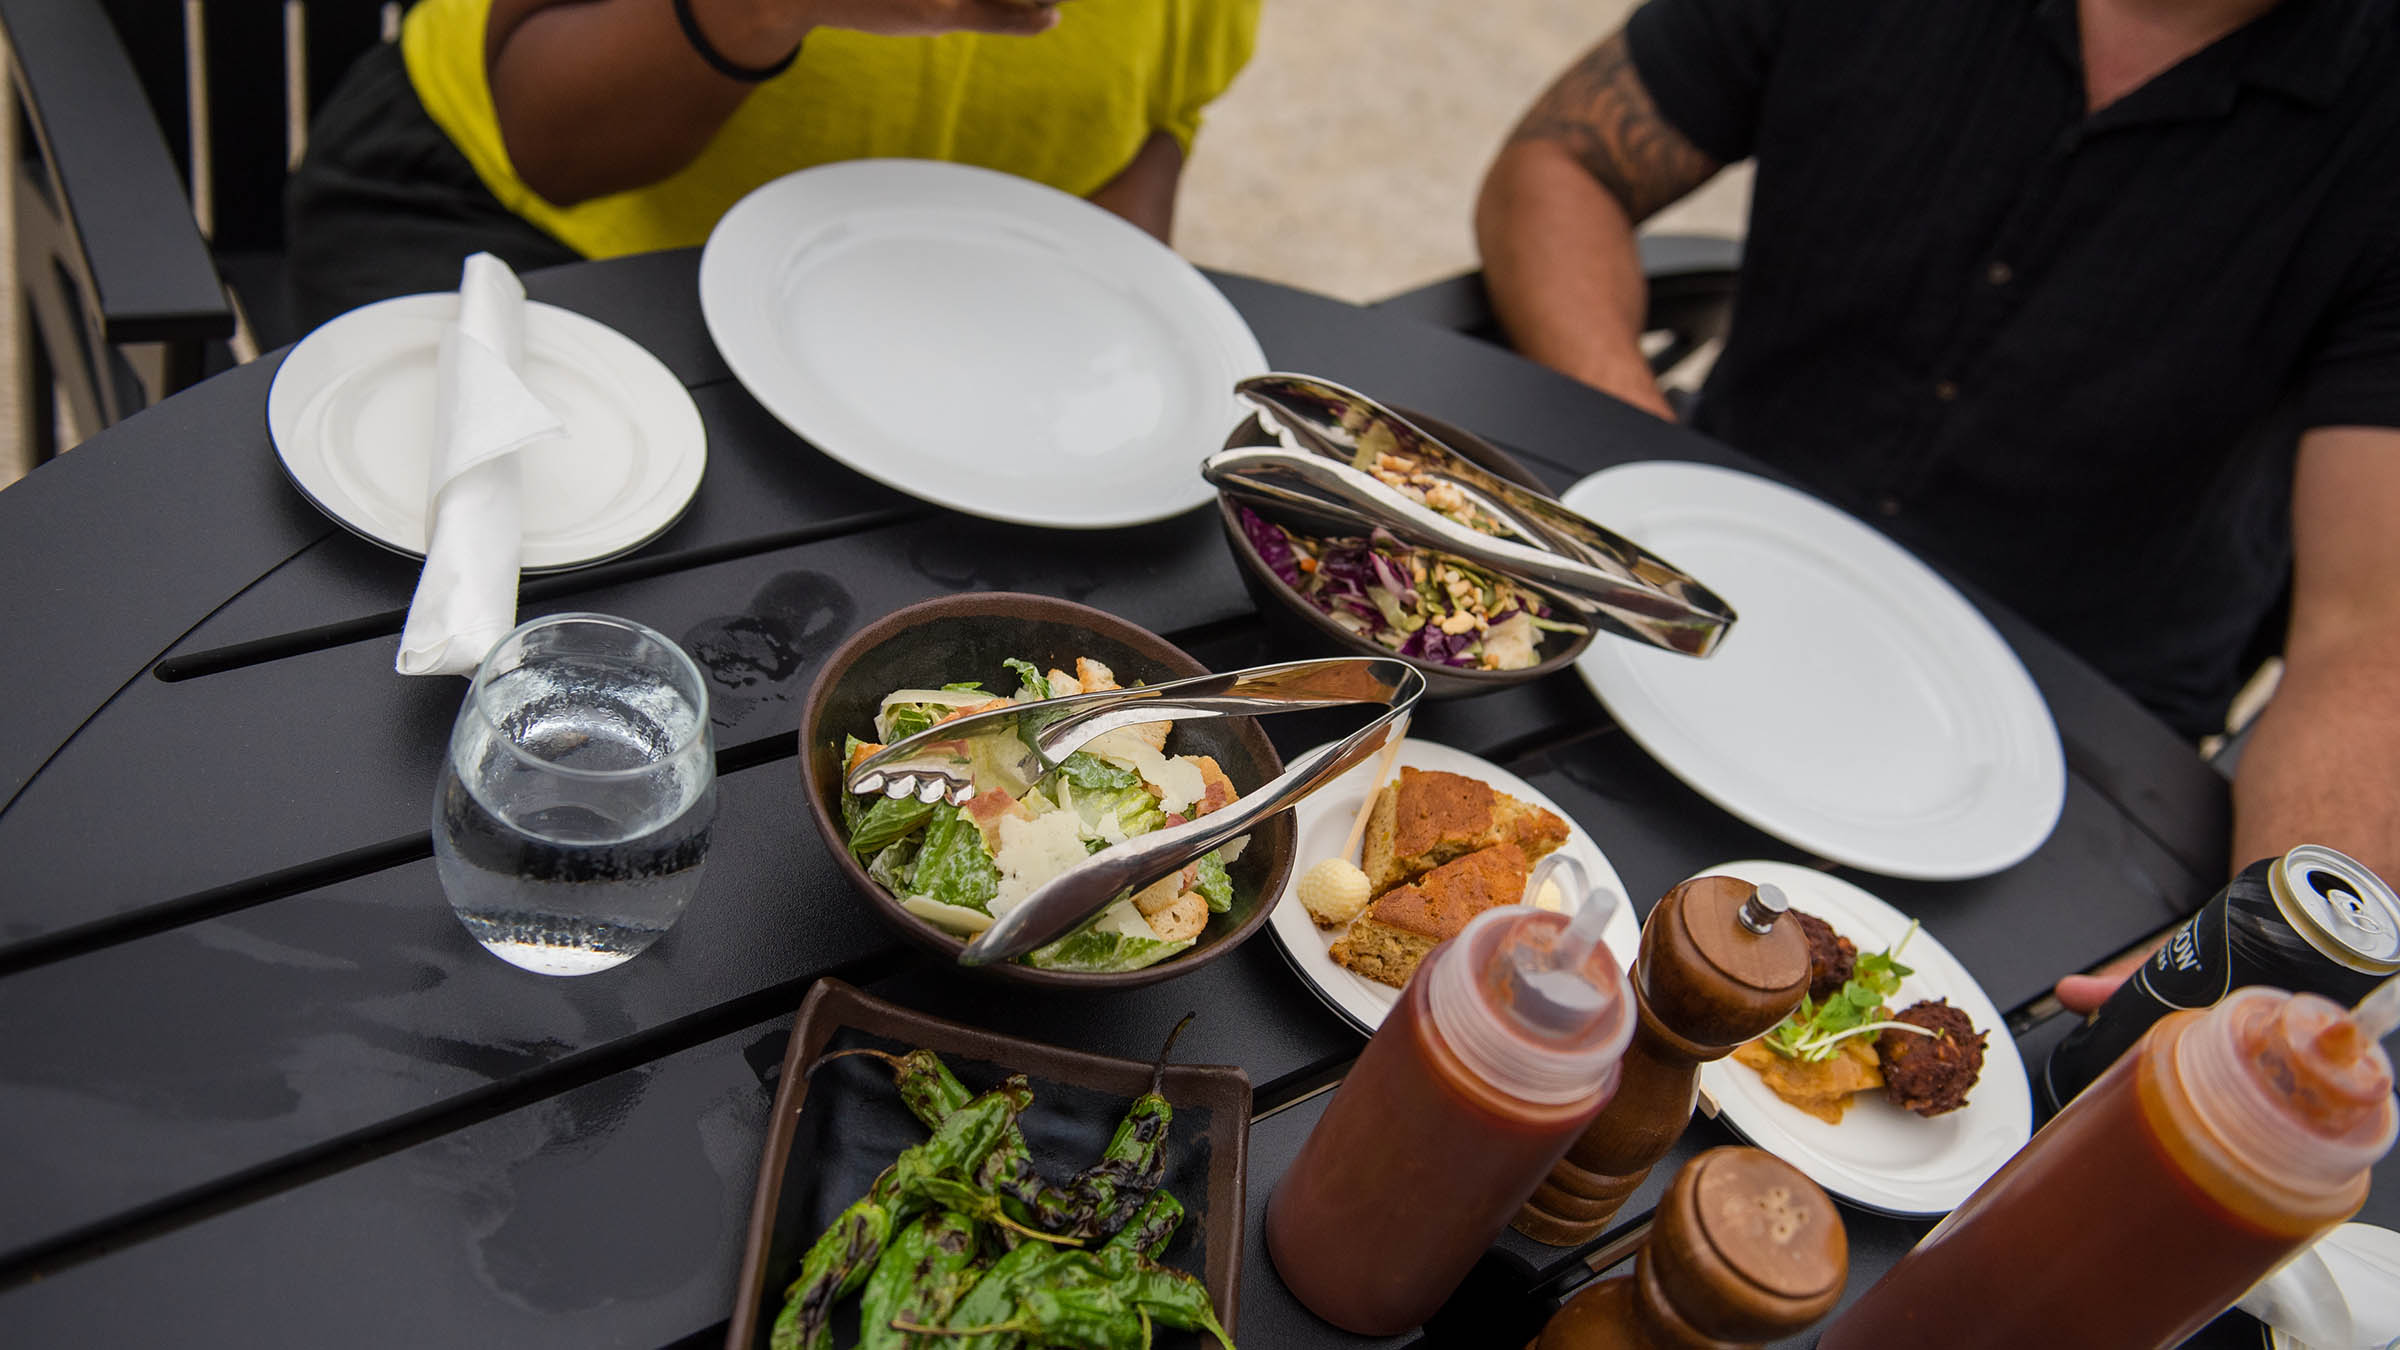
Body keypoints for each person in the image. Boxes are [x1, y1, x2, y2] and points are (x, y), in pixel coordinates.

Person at [1474, 0, 2400, 1009]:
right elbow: (1563, 166)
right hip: (1694, 581)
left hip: (2074, 770)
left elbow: (2370, 629)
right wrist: (1653, 471)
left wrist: (2258, 967)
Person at [287, 0, 1256, 328]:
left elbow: (1157, 121)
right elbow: (555, 149)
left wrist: (1100, 346)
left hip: (884, 327)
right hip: (515, 231)